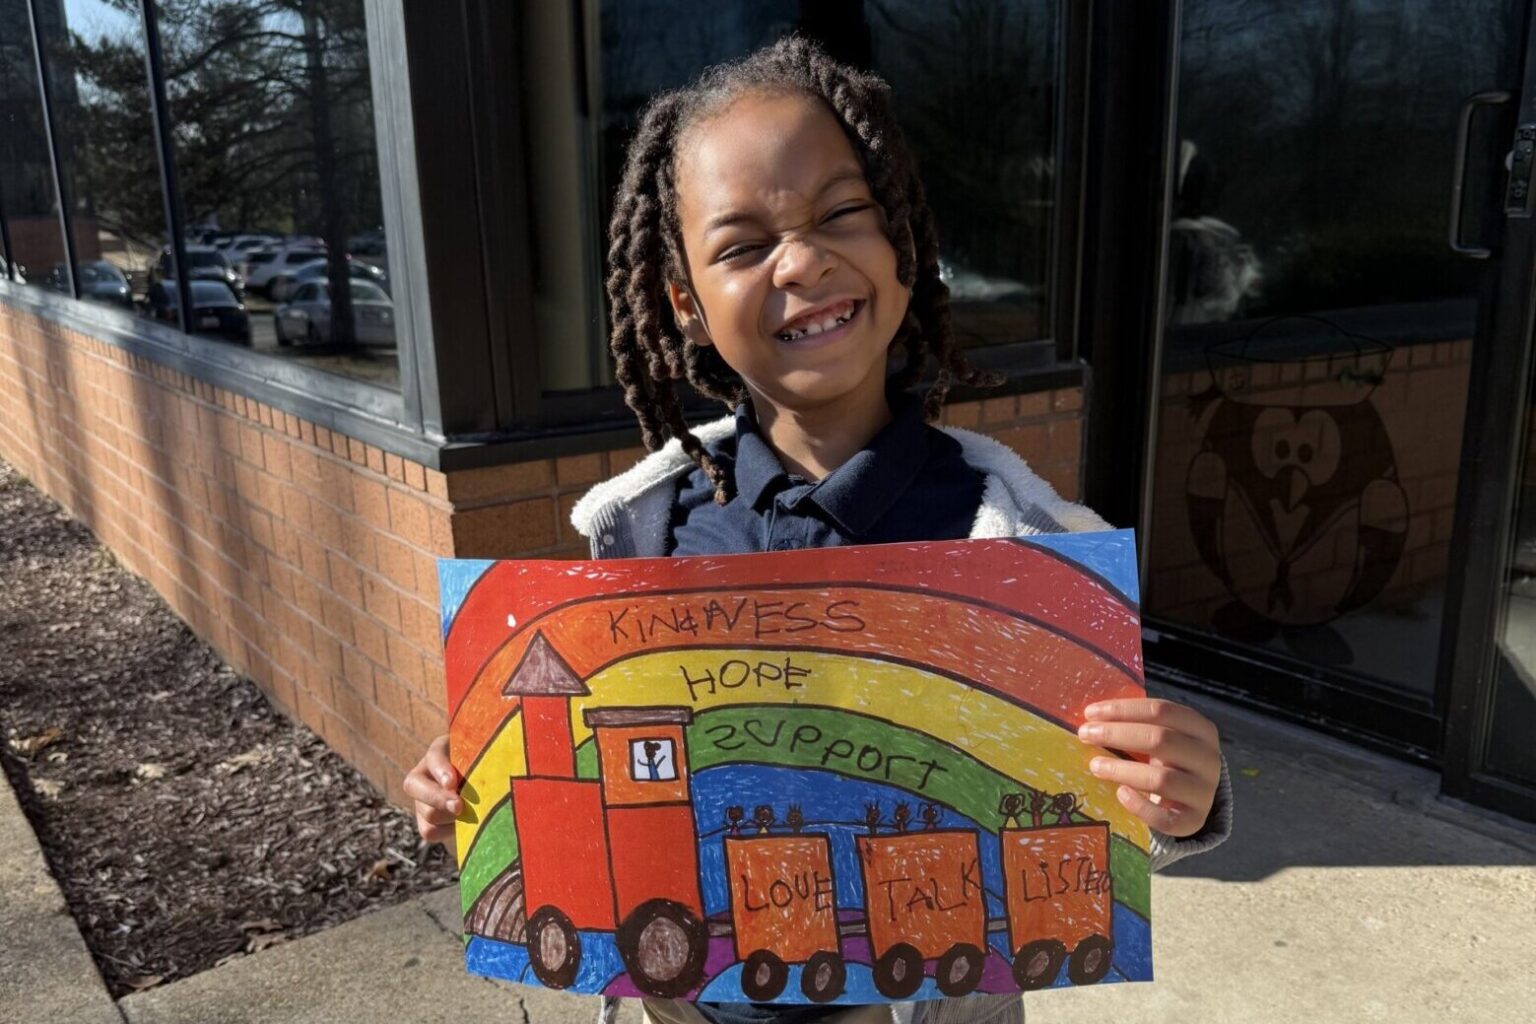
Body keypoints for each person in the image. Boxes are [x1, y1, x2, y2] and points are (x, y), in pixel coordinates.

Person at [404, 36, 1232, 1024]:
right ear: (686, 305)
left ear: (902, 247)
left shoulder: (1016, 542)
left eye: (843, 213)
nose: (803, 261)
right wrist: (472, 784)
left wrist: (1183, 795)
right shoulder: (646, 528)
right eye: (743, 244)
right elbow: (574, 761)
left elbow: (1090, 802)